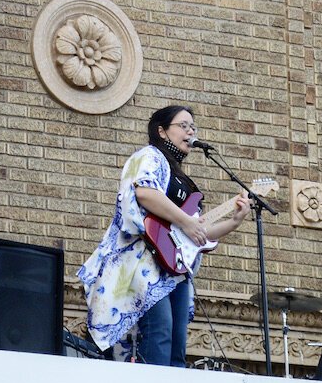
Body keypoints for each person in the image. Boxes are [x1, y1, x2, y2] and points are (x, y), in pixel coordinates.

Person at [79, 104, 251, 366]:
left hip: (174, 272)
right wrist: (185, 221)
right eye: (183, 125)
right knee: (159, 333)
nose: (190, 131)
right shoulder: (148, 157)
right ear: (162, 131)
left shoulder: (184, 182)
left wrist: (234, 221)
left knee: (176, 345)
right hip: (144, 263)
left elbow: (196, 233)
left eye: (193, 126)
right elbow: (144, 192)